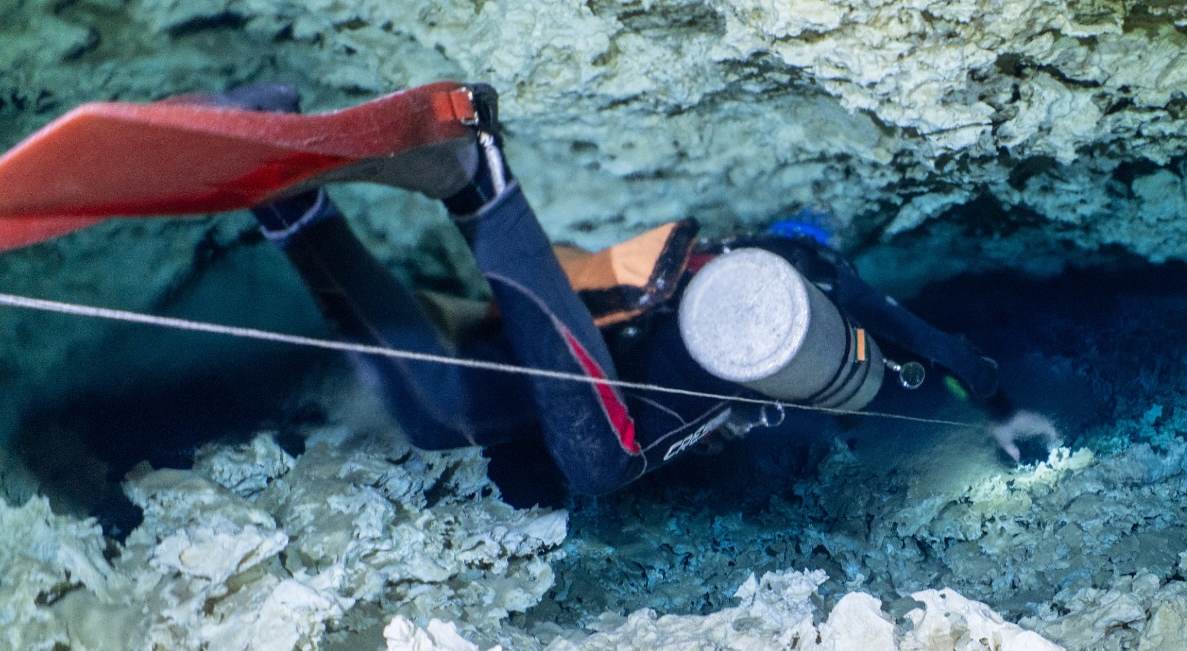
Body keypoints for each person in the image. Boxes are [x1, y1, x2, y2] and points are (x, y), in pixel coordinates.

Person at [216, 82, 1054, 496]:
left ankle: (293, 208)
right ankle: (480, 182)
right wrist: (1003, 407)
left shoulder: (766, 271)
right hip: (621, 349)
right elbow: (946, 351)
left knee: (440, 422)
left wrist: (988, 404)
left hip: (590, 333)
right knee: (602, 464)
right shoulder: (820, 281)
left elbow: (939, 358)